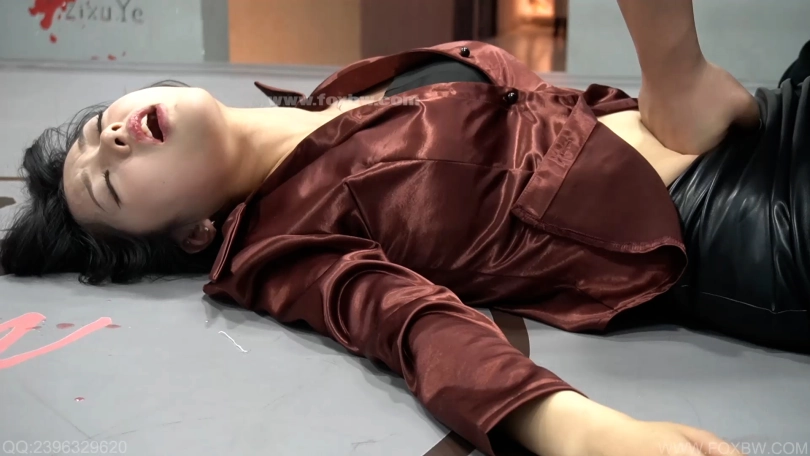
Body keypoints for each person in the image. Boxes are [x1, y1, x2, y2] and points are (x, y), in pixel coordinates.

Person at [0, 0, 805, 454]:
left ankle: (680, 82)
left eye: (97, 128)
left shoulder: (334, 97)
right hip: (743, 219)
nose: (111, 139)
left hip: (762, 115)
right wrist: (585, 435)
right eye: (108, 183)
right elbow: (415, 329)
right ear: (194, 235)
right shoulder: (283, 245)